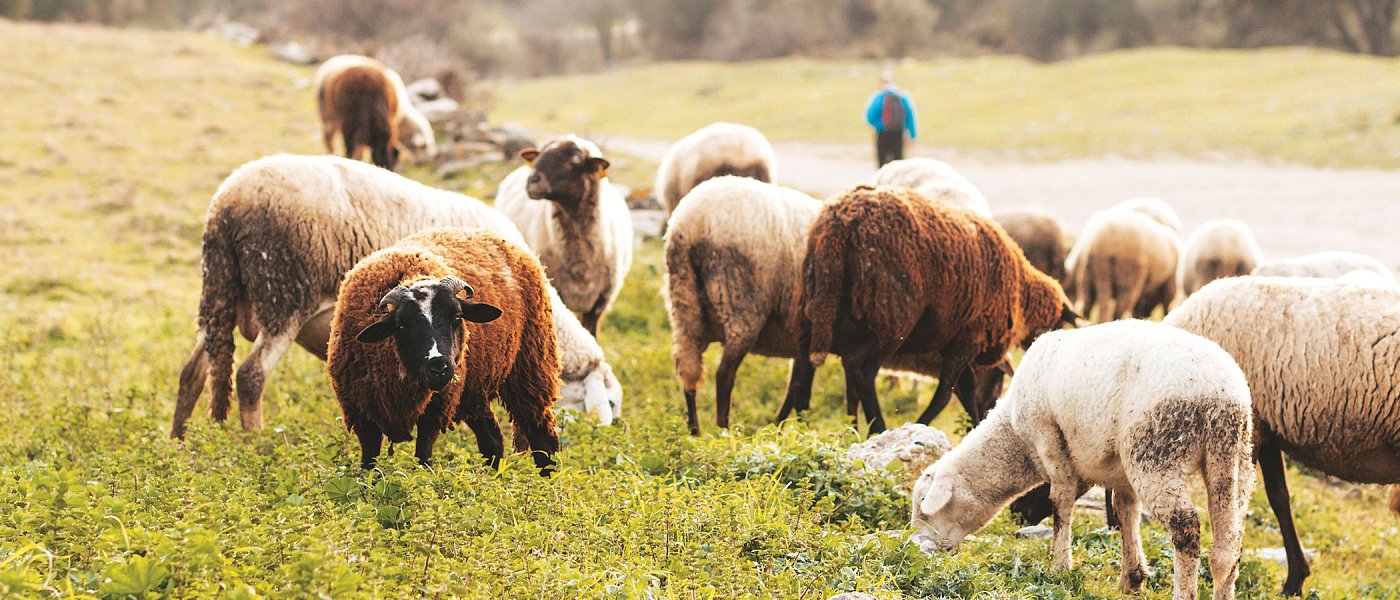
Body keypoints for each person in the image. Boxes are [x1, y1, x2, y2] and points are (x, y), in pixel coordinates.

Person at [865, 71, 916, 167]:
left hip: (882, 134)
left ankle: (882, 181)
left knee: (882, 164)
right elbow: (910, 118)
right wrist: (913, 136)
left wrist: (881, 126)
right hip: (898, 133)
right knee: (898, 164)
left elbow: (869, 116)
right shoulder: (903, 97)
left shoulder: (879, 97)